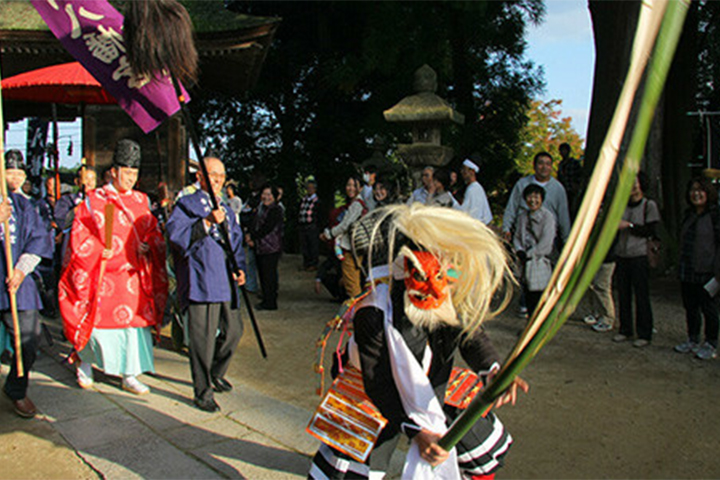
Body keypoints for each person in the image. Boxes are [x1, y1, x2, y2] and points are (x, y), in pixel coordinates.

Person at [308, 204, 527, 479]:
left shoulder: (447, 295)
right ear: (405, 269)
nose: (434, 288)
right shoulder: (373, 313)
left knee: (476, 443)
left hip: (429, 386)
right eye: (422, 277)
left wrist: (493, 370)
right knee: (349, 471)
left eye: (441, 275)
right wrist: (417, 432)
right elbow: (380, 383)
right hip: (373, 393)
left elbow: (471, 335)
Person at [59, 139, 168, 395]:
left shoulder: (142, 201)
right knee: (95, 325)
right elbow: (78, 234)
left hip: (132, 277)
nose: (130, 178)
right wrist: (97, 249)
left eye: (134, 173)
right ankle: (85, 364)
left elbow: (154, 233)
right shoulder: (94, 199)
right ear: (114, 171)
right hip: (102, 275)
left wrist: (149, 245)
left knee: (132, 327)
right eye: (126, 172)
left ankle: (130, 373)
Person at [167, 156, 246, 411]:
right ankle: (202, 391)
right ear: (199, 176)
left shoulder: (227, 208)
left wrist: (240, 267)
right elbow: (176, 237)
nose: (218, 180)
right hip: (201, 277)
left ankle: (215, 371)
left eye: (222, 176)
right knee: (202, 339)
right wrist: (206, 222)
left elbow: (236, 243)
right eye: (213, 175)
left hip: (225, 277)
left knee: (234, 330)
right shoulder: (187, 205)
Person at [0, 152, 54, 418]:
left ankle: (16, 389)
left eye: (20, 173)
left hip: (18, 286)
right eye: (10, 172)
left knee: (29, 340)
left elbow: (38, 240)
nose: (16, 177)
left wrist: (21, 271)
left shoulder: (27, 206)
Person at [612, 172, 660, 348]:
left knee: (641, 296)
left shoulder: (649, 205)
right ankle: (625, 329)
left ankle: (644, 333)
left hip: (639, 255)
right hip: (622, 254)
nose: (632, 187)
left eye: (635, 183)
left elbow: (651, 230)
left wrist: (629, 225)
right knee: (623, 294)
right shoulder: (621, 205)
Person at [674, 177, 719, 360]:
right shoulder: (689, 215)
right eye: (693, 190)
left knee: (709, 308)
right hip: (688, 269)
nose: (696, 194)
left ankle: (710, 343)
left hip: (708, 271)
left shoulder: (715, 216)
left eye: (700, 190)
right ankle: (692, 339)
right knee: (690, 307)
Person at [502, 151, 571, 244]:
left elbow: (563, 216)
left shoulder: (558, 188)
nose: (544, 167)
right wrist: (506, 228)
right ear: (534, 166)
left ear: (551, 167)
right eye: (541, 163)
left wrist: (566, 241)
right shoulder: (522, 184)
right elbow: (512, 208)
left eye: (548, 164)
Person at [320, 176, 367, 298]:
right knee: (352, 281)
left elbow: (345, 225)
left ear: (361, 188)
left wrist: (329, 234)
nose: (350, 188)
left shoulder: (356, 205)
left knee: (352, 285)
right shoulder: (355, 204)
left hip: (350, 248)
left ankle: (356, 313)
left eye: (354, 185)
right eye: (348, 185)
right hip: (354, 248)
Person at [513, 184, 556, 316]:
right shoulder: (522, 216)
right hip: (525, 262)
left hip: (539, 260)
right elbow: (517, 237)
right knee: (528, 296)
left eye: (536, 197)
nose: (533, 200)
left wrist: (530, 253)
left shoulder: (547, 217)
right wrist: (519, 250)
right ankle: (529, 325)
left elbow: (546, 242)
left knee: (539, 296)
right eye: (530, 196)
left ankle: (537, 328)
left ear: (542, 198)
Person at [248, 185, 284, 311]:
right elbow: (254, 223)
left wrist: (254, 237)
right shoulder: (260, 208)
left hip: (271, 247)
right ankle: (266, 299)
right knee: (263, 274)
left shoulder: (276, 210)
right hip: (260, 246)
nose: (266, 197)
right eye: (264, 194)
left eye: (269, 194)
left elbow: (267, 228)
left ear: (274, 197)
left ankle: (270, 302)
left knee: (269, 275)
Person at [54, 165, 98, 234]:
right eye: (86, 179)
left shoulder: (100, 200)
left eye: (92, 179)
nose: (89, 183)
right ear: (77, 181)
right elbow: (61, 222)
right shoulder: (67, 200)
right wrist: (78, 207)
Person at [459, 159, 492, 224]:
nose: (462, 172)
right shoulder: (474, 188)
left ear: (472, 171)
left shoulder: (474, 189)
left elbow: (471, 214)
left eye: (464, 170)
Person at [298, 178, 321, 271]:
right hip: (303, 225)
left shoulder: (317, 201)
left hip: (312, 225)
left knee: (313, 245)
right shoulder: (303, 200)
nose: (309, 190)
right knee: (304, 245)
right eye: (308, 188)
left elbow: (320, 215)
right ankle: (306, 263)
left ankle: (313, 263)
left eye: (311, 188)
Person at [556, 143, 584, 219]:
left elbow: (580, 175)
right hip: (563, 191)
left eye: (564, 150)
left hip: (572, 191)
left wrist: (577, 186)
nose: (563, 153)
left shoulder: (574, 163)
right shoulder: (561, 165)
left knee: (573, 210)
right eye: (561, 151)